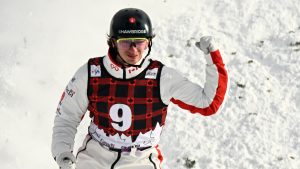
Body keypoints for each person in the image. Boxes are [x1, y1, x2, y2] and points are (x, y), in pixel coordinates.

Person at [51, 8, 228, 169]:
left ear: (149, 43)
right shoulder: (91, 73)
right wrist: (62, 151)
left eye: (140, 42)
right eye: (125, 42)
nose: (133, 49)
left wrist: (213, 57)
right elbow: (66, 117)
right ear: (113, 42)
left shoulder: (161, 77)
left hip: (141, 160)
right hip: (94, 158)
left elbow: (208, 104)